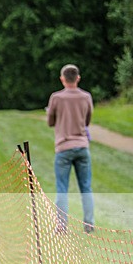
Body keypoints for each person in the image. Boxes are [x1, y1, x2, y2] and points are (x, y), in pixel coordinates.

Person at [47, 64, 94, 233]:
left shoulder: (56, 98)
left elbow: (50, 121)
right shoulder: (86, 97)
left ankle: (61, 226)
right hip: (82, 145)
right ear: (78, 78)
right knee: (86, 187)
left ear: (62, 79)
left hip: (63, 146)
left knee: (62, 188)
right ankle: (89, 224)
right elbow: (87, 121)